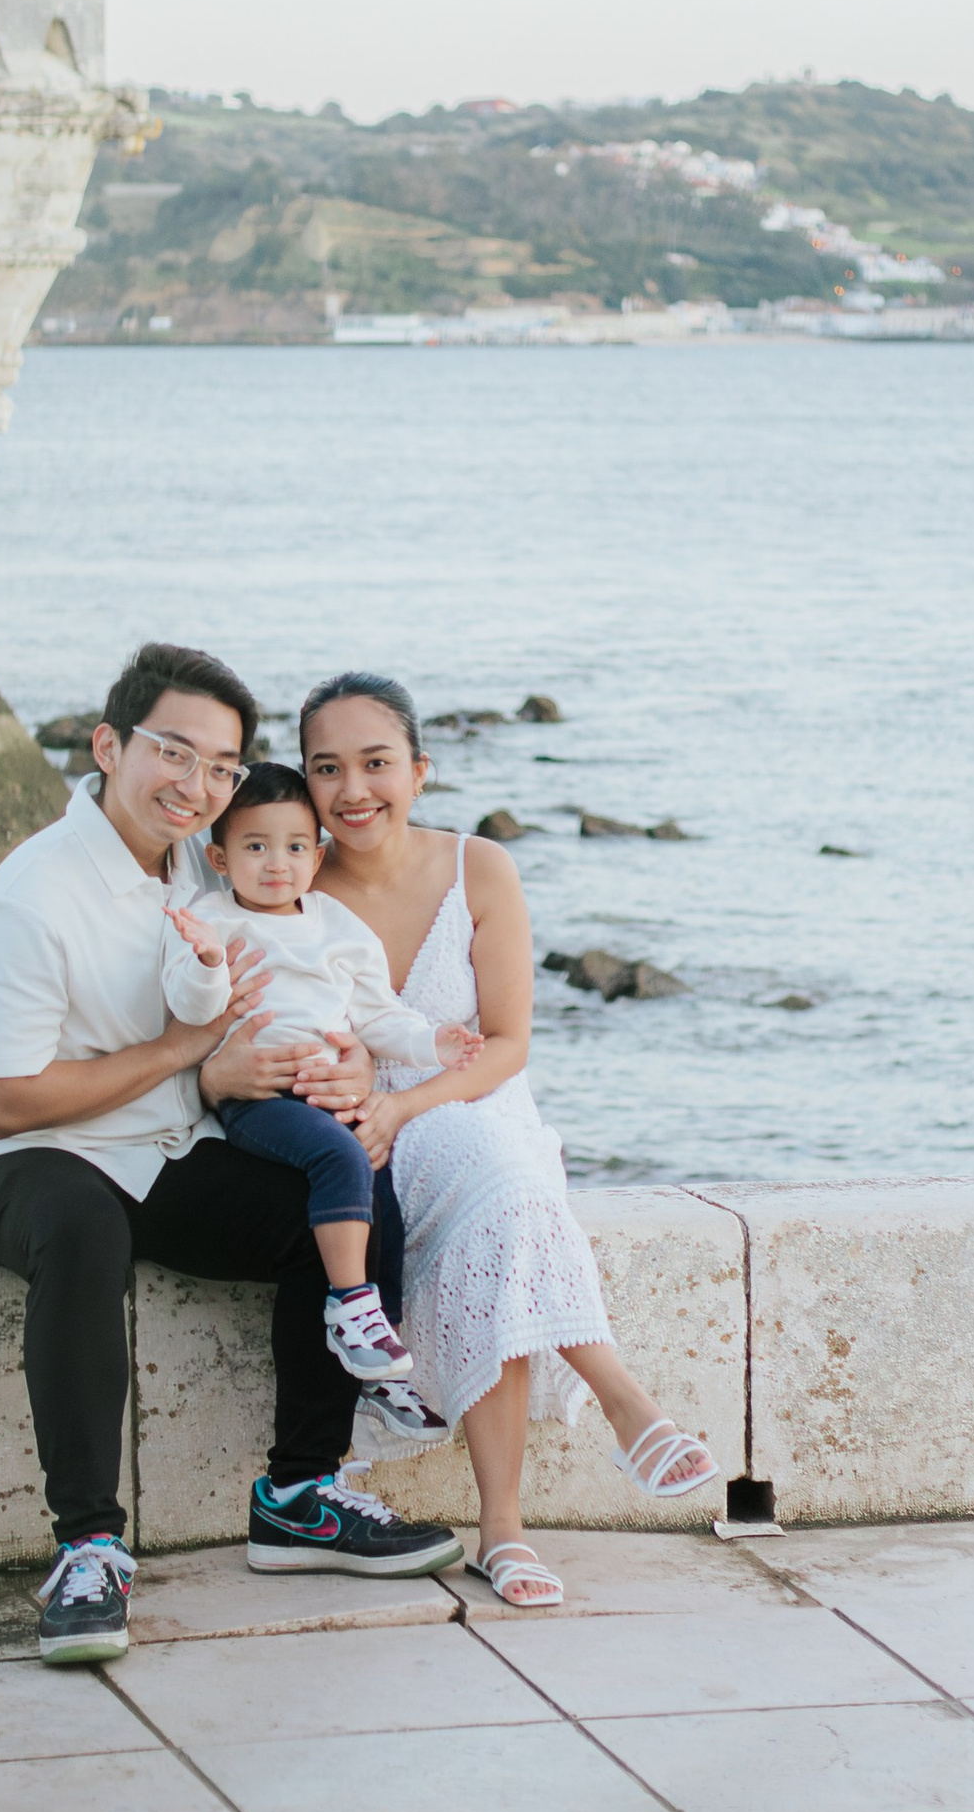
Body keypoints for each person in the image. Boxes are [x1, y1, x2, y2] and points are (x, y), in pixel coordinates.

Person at [0, 642, 461, 1666]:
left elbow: (302, 975)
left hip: (169, 1145)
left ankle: (301, 1495)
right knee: (82, 1225)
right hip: (34, 1157)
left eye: (221, 766)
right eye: (173, 752)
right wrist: (185, 1052)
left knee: (350, 1185)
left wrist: (346, 1063)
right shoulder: (34, 895)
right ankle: (87, 1549)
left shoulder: (203, 858)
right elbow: (5, 1100)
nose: (198, 785)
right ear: (107, 746)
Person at [302, 669, 719, 1612]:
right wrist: (378, 1104)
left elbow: (511, 1044)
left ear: (420, 770)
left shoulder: (477, 868)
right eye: (328, 769)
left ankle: (521, 1510)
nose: (354, 790)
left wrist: (414, 1106)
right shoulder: (293, 880)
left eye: (377, 763)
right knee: (509, 1198)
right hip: (358, 1118)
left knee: (506, 1183)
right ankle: (560, 1469)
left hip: (477, 1098)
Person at [165, 759, 475, 1426]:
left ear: (318, 855)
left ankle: (377, 1359)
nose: (276, 863)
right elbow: (190, 1009)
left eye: (295, 847)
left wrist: (433, 1046)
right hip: (260, 1099)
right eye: (255, 846)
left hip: (328, 1095)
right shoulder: (211, 919)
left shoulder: (335, 926)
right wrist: (208, 963)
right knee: (340, 1159)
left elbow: (378, 1016)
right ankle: (348, 1303)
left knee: (378, 1198)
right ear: (219, 856)